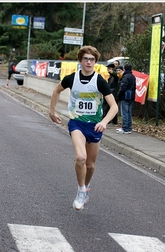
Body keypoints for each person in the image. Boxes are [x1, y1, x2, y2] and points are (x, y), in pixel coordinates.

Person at [49, 45, 118, 210]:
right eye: (86, 59)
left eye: (92, 59)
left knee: (90, 165)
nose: (89, 62)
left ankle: (85, 188)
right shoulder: (71, 78)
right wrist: (52, 111)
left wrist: (104, 122)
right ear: (80, 61)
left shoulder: (100, 81)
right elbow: (56, 91)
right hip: (76, 122)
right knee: (81, 157)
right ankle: (81, 190)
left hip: (94, 126)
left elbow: (114, 107)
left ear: (95, 62)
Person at [116, 64, 136, 134]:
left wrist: (119, 95)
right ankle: (129, 128)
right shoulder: (133, 77)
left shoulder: (125, 77)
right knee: (129, 113)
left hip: (125, 97)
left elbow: (123, 87)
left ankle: (125, 128)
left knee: (124, 113)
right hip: (131, 96)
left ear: (124, 69)